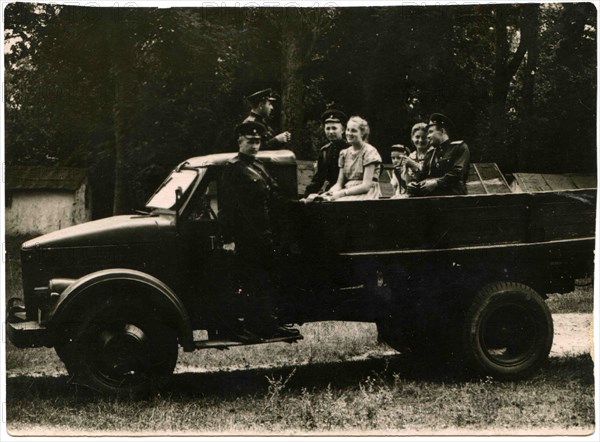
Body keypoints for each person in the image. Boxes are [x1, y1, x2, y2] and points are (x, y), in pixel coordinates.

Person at [218, 120, 300, 342]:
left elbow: (274, 197)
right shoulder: (233, 169)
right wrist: (228, 239)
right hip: (246, 237)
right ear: (240, 141)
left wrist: (302, 202)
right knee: (252, 283)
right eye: (249, 141)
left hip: (264, 236)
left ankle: (267, 326)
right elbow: (226, 208)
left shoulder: (259, 167)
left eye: (257, 142)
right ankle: (254, 327)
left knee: (265, 282)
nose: (254, 146)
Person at [408, 113, 470, 197]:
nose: (428, 136)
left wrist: (437, 183)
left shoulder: (459, 148)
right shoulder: (430, 153)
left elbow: (457, 173)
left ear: (442, 131)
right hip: (432, 199)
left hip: (453, 198)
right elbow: (423, 175)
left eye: (430, 132)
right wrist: (413, 183)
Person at [322, 116, 382, 201]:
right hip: (347, 191)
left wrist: (342, 193)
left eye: (353, 131)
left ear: (362, 133)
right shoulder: (344, 153)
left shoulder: (369, 152)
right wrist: (329, 193)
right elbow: (339, 184)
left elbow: (366, 186)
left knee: (338, 204)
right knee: (322, 201)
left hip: (366, 193)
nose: (349, 133)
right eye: (348, 130)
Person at [303, 109, 349, 198]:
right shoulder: (325, 151)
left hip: (349, 191)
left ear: (343, 130)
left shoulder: (350, 148)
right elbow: (318, 179)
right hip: (331, 192)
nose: (330, 132)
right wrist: (306, 197)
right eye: (328, 128)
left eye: (334, 128)